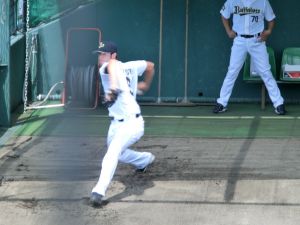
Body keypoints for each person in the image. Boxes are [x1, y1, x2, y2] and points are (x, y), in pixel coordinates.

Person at [90, 41, 155, 207]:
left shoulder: (108, 66)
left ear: (113, 55)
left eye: (104, 54)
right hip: (116, 124)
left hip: (132, 123)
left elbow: (112, 66)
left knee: (112, 152)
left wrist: (112, 87)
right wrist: (146, 84)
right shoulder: (130, 66)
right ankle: (144, 160)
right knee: (119, 153)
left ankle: (99, 191)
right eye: (99, 54)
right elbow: (150, 66)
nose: (100, 57)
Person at [213, 0, 286, 115]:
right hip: (239, 40)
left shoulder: (262, 1)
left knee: (266, 72)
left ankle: (279, 104)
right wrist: (228, 31)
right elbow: (224, 14)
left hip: (257, 40)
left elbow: (271, 19)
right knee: (232, 71)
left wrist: (269, 31)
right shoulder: (233, 0)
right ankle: (221, 102)